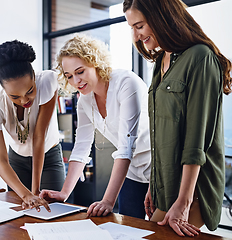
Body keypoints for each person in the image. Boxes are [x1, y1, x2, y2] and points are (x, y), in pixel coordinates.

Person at [123, 0, 232, 237]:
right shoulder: (160, 62)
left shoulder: (201, 57)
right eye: (131, 27)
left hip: (194, 189)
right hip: (165, 184)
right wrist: (154, 184)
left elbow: (196, 140)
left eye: (139, 26)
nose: (136, 35)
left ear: (161, 17)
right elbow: (158, 133)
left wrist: (184, 201)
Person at [39, 34, 151, 220]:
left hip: (159, 170)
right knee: (128, 229)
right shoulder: (84, 100)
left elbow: (126, 148)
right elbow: (82, 146)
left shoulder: (126, 83)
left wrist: (107, 201)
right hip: (132, 173)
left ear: (96, 62)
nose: (76, 81)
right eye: (69, 76)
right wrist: (64, 193)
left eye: (80, 71)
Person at [0, 40, 65, 211]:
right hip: (16, 161)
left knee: (54, 212)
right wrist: (27, 195)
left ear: (33, 75)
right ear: (3, 89)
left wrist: (35, 191)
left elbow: (39, 136)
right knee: (22, 213)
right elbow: (1, 161)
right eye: (15, 96)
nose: (24, 100)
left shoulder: (47, 82)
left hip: (48, 156)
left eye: (30, 91)